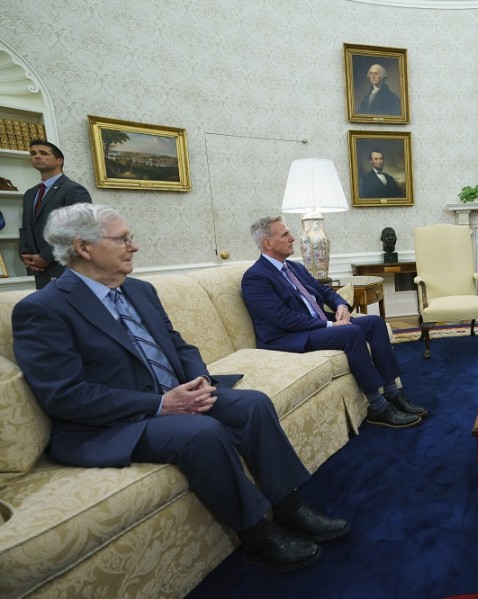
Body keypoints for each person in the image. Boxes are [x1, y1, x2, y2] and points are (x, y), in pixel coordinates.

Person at [11, 203, 348, 573]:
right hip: (113, 422)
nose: (134, 246)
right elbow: (64, 395)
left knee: (252, 405)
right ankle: (255, 533)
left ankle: (288, 506)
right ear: (84, 247)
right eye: (123, 239)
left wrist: (198, 379)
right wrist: (160, 404)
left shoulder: (140, 290)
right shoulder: (43, 309)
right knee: (202, 433)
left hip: (177, 394)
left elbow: (180, 345)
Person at [241, 216, 425, 428]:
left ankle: (393, 394)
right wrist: (329, 325)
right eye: (285, 234)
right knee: (351, 332)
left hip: (314, 325)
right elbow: (282, 318)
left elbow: (324, 291)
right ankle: (378, 407)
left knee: (374, 323)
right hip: (289, 337)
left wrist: (341, 306)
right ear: (267, 243)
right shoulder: (256, 277)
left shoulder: (294, 268)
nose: (292, 238)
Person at [19, 139, 92, 289]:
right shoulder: (30, 194)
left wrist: (45, 257)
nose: (37, 156)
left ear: (59, 161)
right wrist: (25, 253)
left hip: (67, 269)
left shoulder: (73, 189)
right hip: (39, 272)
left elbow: (78, 229)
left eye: (43, 153)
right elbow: (26, 227)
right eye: (33, 153)